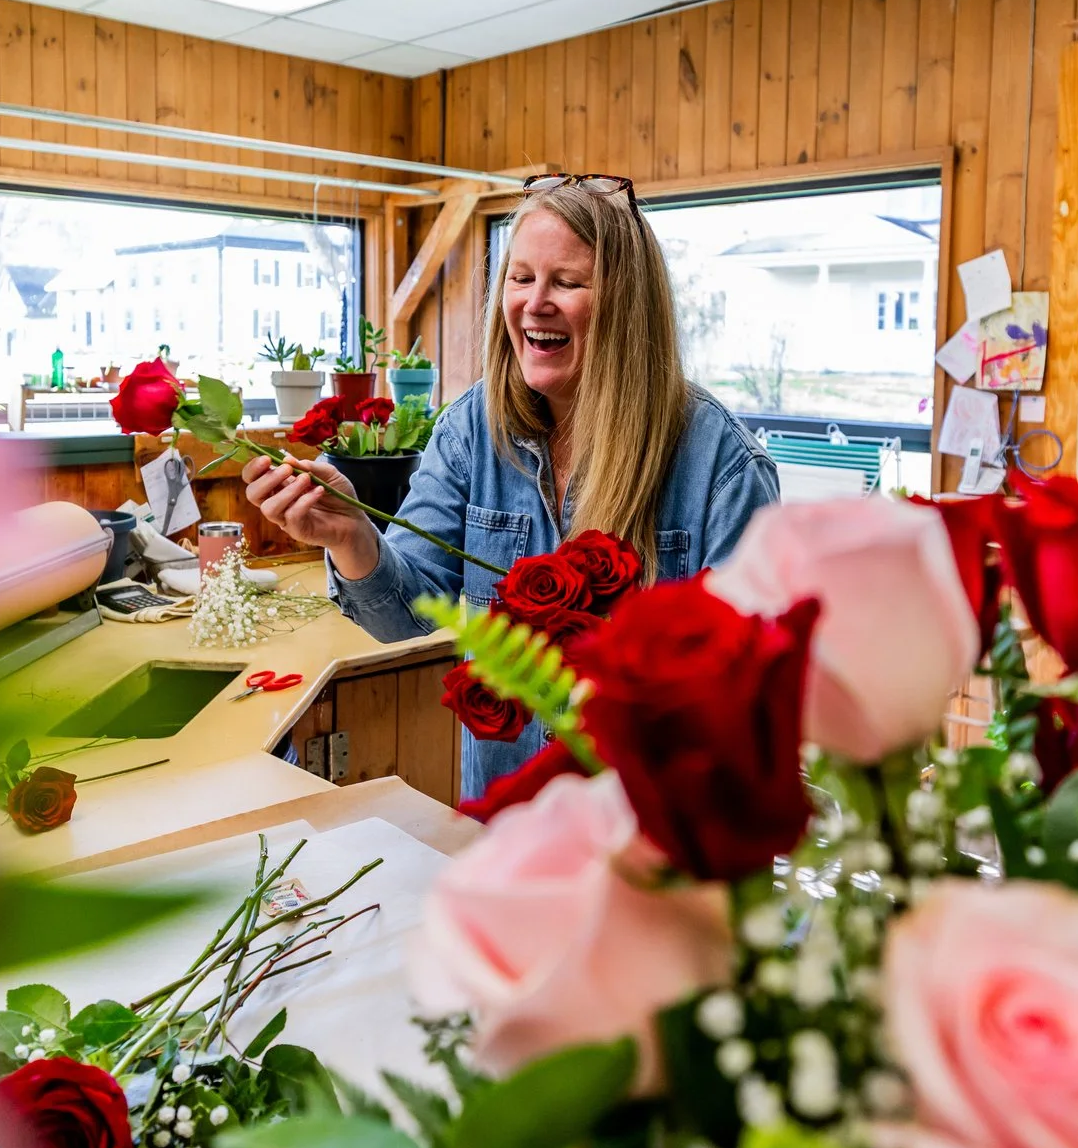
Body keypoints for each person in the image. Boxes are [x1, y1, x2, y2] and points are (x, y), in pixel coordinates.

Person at [242, 174, 781, 800]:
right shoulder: (472, 430)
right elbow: (406, 616)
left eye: (568, 282)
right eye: (520, 278)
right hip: (511, 828)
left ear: (627, 305)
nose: (534, 302)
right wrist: (352, 537)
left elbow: (751, 700)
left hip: (655, 846)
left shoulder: (721, 463)